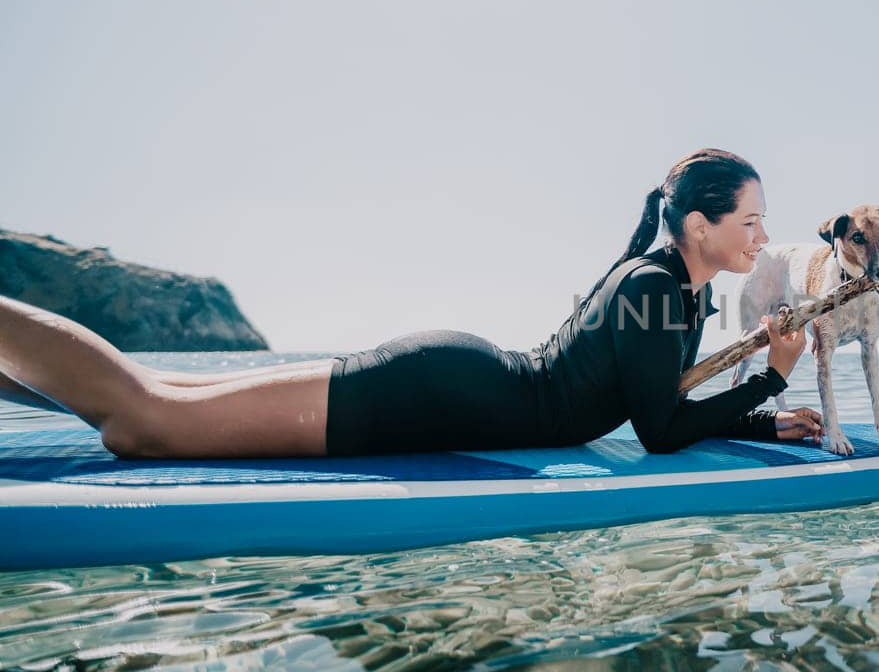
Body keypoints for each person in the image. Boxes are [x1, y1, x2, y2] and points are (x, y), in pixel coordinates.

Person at [0, 149, 825, 458]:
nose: (762, 238)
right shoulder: (653, 287)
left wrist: (757, 418)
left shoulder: (678, 294)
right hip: (437, 387)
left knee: (159, 396)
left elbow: (662, 400)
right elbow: (657, 432)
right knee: (146, 421)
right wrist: (770, 379)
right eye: (750, 221)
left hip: (448, 378)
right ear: (697, 224)